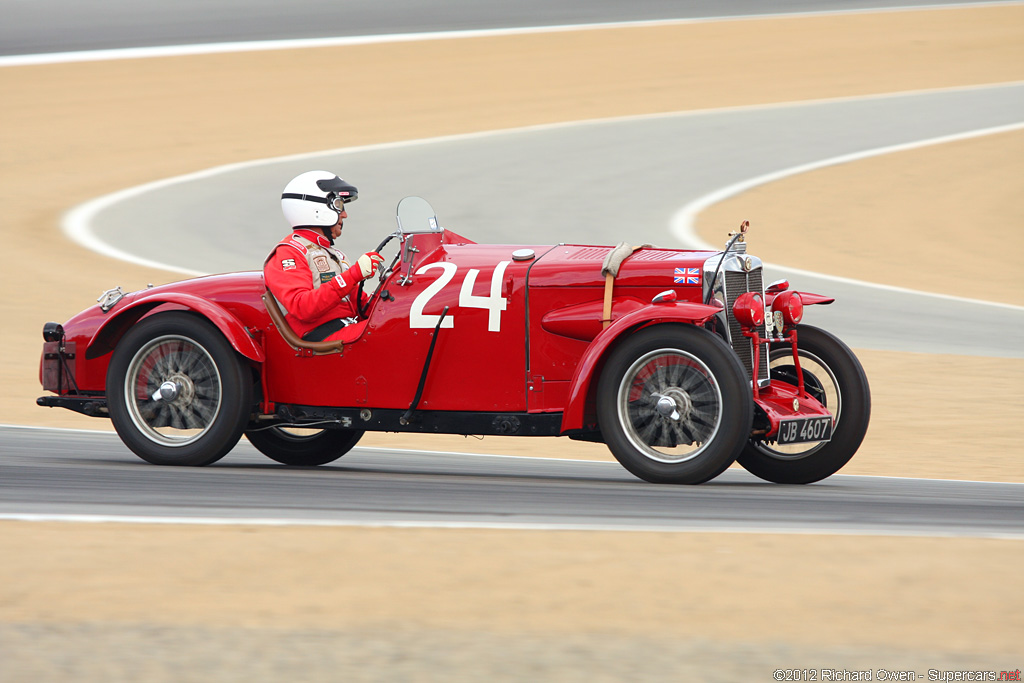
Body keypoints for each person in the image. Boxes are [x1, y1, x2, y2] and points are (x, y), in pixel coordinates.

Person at [264, 171, 385, 342]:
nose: (344, 214)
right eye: (339, 205)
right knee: (393, 335)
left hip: (347, 328)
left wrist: (393, 291)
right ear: (315, 209)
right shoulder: (289, 251)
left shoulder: (334, 254)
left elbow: (362, 305)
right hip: (323, 336)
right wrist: (354, 274)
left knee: (404, 326)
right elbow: (303, 308)